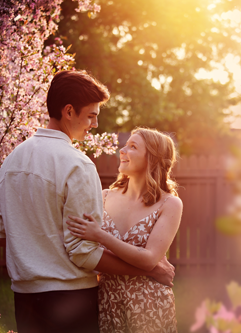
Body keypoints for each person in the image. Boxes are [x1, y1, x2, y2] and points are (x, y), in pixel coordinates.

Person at [0, 70, 174, 333]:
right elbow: (83, 252)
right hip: (70, 301)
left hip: (23, 299)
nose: (94, 125)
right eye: (91, 116)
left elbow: (5, 231)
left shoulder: (10, 162)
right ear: (69, 111)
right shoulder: (77, 164)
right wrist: (147, 270)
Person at [66, 128, 184, 332]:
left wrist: (99, 235)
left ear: (153, 158)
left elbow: (149, 259)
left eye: (133, 146)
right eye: (125, 144)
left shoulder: (170, 203)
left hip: (149, 303)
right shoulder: (103, 196)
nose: (122, 150)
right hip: (108, 300)